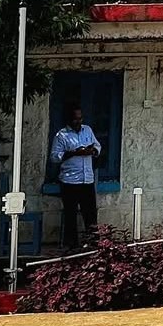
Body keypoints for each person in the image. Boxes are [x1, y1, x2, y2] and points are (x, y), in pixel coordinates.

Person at [50, 104, 102, 249]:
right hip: (70, 181)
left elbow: (98, 146)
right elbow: (54, 157)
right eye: (75, 119)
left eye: (80, 118)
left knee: (90, 214)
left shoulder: (88, 130)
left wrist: (92, 151)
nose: (78, 122)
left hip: (87, 179)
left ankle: (92, 244)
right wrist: (74, 153)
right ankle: (71, 245)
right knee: (71, 215)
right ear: (69, 119)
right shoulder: (62, 135)